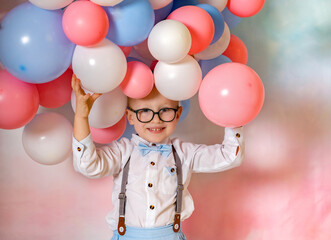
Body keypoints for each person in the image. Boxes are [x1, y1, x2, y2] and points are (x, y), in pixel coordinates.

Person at [71, 74, 245, 240]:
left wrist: (233, 116)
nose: (156, 120)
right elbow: (88, 166)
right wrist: (82, 117)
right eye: (145, 111)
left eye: (165, 110)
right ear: (130, 116)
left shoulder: (184, 153)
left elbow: (230, 156)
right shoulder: (122, 152)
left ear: (177, 114)